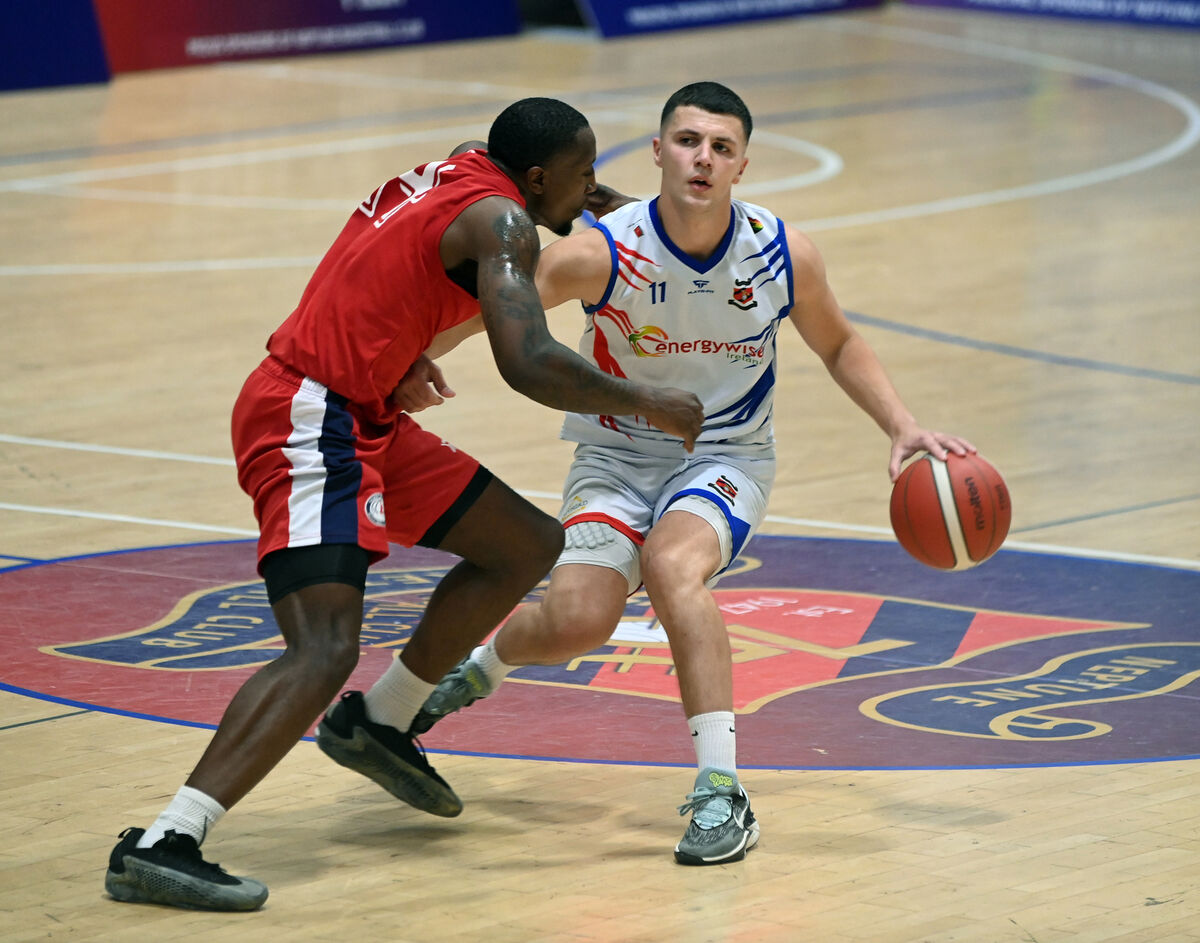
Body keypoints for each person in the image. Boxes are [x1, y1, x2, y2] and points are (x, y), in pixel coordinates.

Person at [103, 97, 704, 912]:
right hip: (311, 415)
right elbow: (527, 360)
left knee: (525, 545)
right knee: (323, 646)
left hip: (367, 411)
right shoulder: (505, 226)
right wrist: (647, 401)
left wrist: (651, 214)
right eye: (582, 174)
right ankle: (167, 837)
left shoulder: (472, 162)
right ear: (533, 178)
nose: (591, 190)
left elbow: (568, 205)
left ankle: (381, 722)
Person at [396, 82, 975, 865]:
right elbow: (499, 313)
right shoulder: (601, 252)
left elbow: (837, 343)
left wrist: (904, 425)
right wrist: (413, 360)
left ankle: (720, 791)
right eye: (689, 140)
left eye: (721, 147)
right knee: (578, 621)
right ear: (660, 150)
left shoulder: (780, 252)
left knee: (673, 567)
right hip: (615, 456)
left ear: (742, 165)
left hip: (725, 456)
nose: (703, 157)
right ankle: (481, 667)